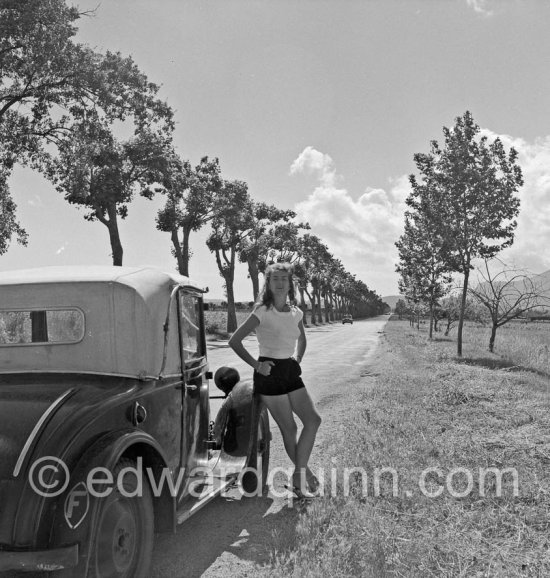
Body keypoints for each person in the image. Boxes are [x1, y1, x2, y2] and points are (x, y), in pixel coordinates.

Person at [228, 262, 322, 498]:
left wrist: (297, 358)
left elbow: (302, 339)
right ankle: (302, 479)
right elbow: (234, 341)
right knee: (289, 428)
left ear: (290, 284)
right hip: (268, 373)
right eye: (275, 279)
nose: (280, 283)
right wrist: (257, 365)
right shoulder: (262, 312)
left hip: (289, 370)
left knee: (313, 420)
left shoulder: (296, 312)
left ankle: (300, 476)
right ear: (268, 284)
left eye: (284, 279)